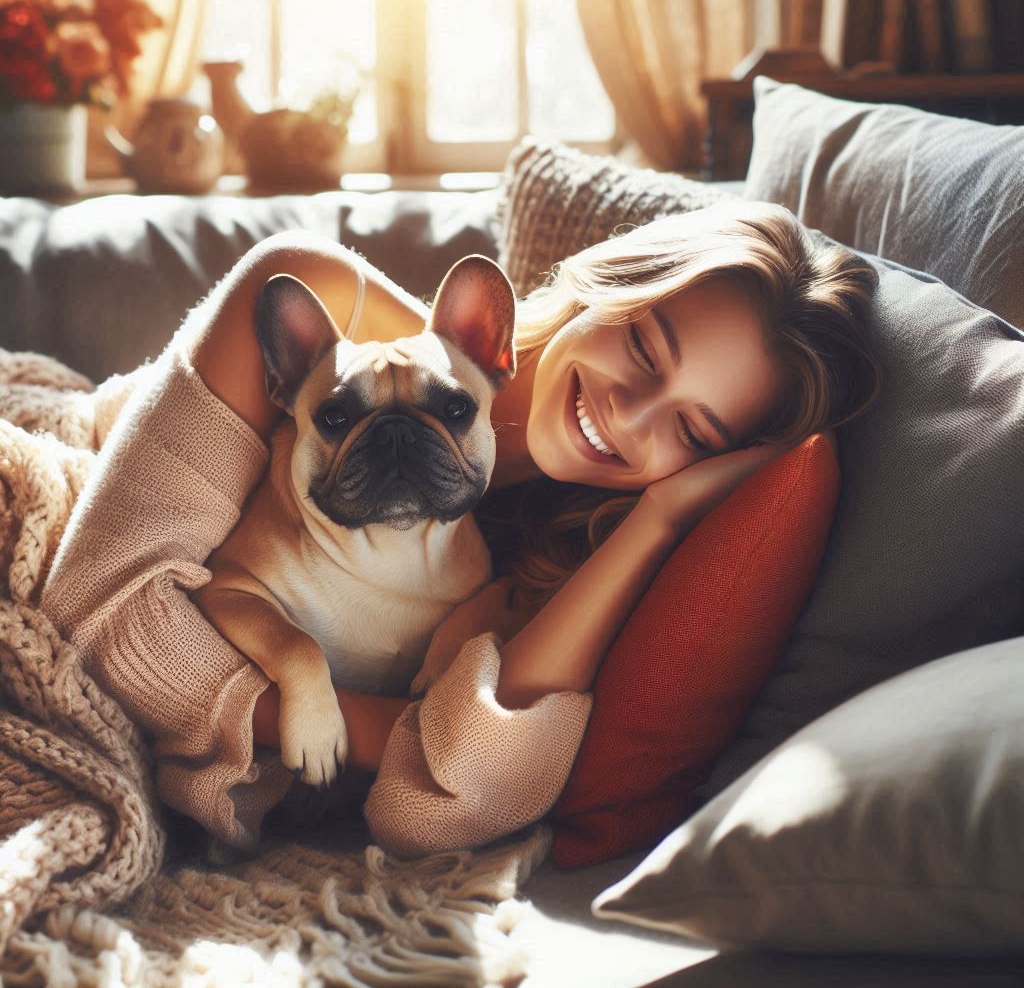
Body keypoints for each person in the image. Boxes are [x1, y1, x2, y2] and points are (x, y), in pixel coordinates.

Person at [40, 199, 881, 857]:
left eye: (692, 434)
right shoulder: (319, 308)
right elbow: (95, 605)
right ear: (605, 286)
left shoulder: (545, 560)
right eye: (646, 351)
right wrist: (337, 711)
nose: (630, 413)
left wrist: (655, 525)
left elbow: (452, 801)